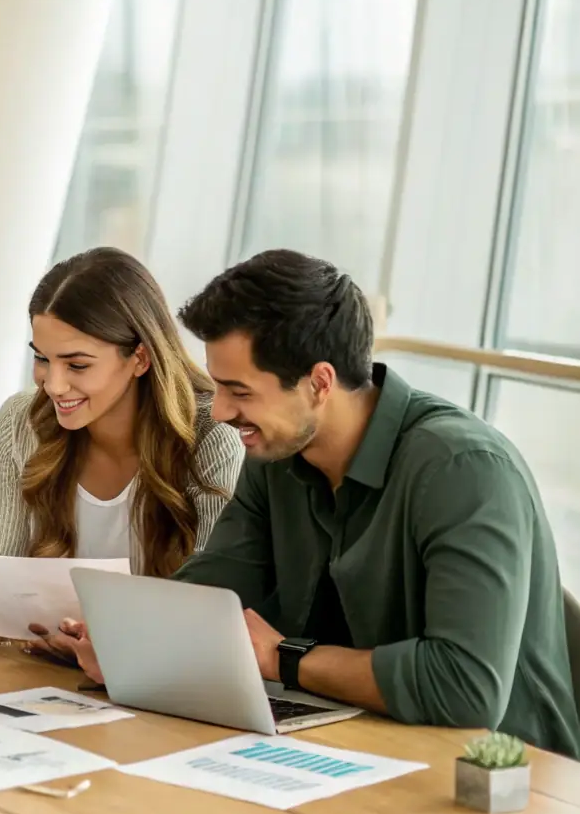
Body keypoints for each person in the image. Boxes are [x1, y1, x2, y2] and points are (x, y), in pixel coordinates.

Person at [43, 249, 580, 763]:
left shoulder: (463, 469)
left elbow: (465, 688)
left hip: (499, 776)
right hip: (357, 745)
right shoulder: (277, 456)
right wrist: (125, 640)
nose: (221, 411)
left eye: (239, 391)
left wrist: (285, 659)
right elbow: (217, 585)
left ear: (319, 383)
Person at [0, 247, 244, 650]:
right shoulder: (21, 421)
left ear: (140, 358)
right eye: (42, 359)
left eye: (77, 365)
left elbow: (211, 610)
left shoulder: (212, 435)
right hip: (47, 673)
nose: (53, 385)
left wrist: (108, 646)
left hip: (157, 676)